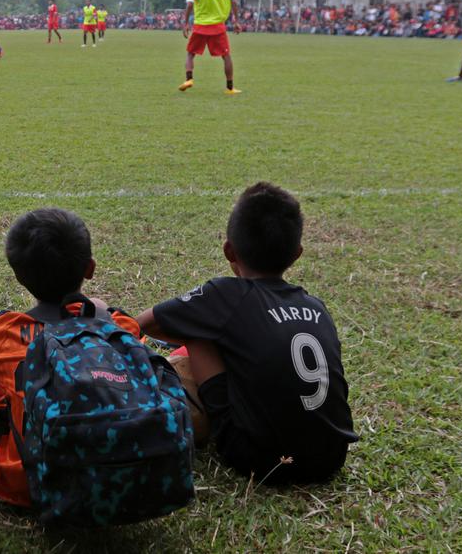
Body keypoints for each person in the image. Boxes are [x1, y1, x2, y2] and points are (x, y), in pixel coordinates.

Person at [134, 183, 358, 484]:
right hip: (331, 456)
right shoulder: (316, 306)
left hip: (260, 460)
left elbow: (142, 324)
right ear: (296, 255)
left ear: (229, 250)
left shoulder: (226, 295)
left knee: (198, 330)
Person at [0, 208, 141, 508]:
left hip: (23, 482)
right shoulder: (120, 327)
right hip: (126, 477)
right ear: (90, 268)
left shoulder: (2, 333)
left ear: (18, 275)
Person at [179, 0, 241, 95]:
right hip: (218, 27)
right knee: (226, 56)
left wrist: (186, 23)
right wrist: (236, 21)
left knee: (190, 54)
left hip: (200, 26)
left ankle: (189, 79)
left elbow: (189, 4)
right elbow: (234, 3)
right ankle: (230, 88)